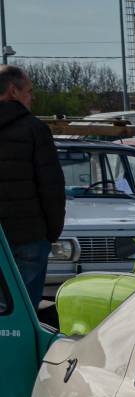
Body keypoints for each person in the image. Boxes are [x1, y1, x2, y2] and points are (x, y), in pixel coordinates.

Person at [0, 65, 64, 309]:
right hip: (28, 236)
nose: (32, 97)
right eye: (29, 91)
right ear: (13, 91)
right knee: (25, 312)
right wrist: (50, 234)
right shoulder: (35, 129)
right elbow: (51, 188)